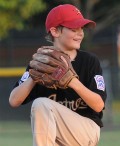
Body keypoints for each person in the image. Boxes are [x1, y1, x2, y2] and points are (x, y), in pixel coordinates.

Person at [9, 4, 107, 146]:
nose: (80, 33)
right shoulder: (40, 63)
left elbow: (98, 105)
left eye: (81, 29)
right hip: (55, 135)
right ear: (55, 31)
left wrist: (72, 81)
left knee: (41, 104)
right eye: (74, 29)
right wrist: (33, 77)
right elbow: (14, 100)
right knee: (41, 107)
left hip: (86, 130)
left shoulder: (89, 61)